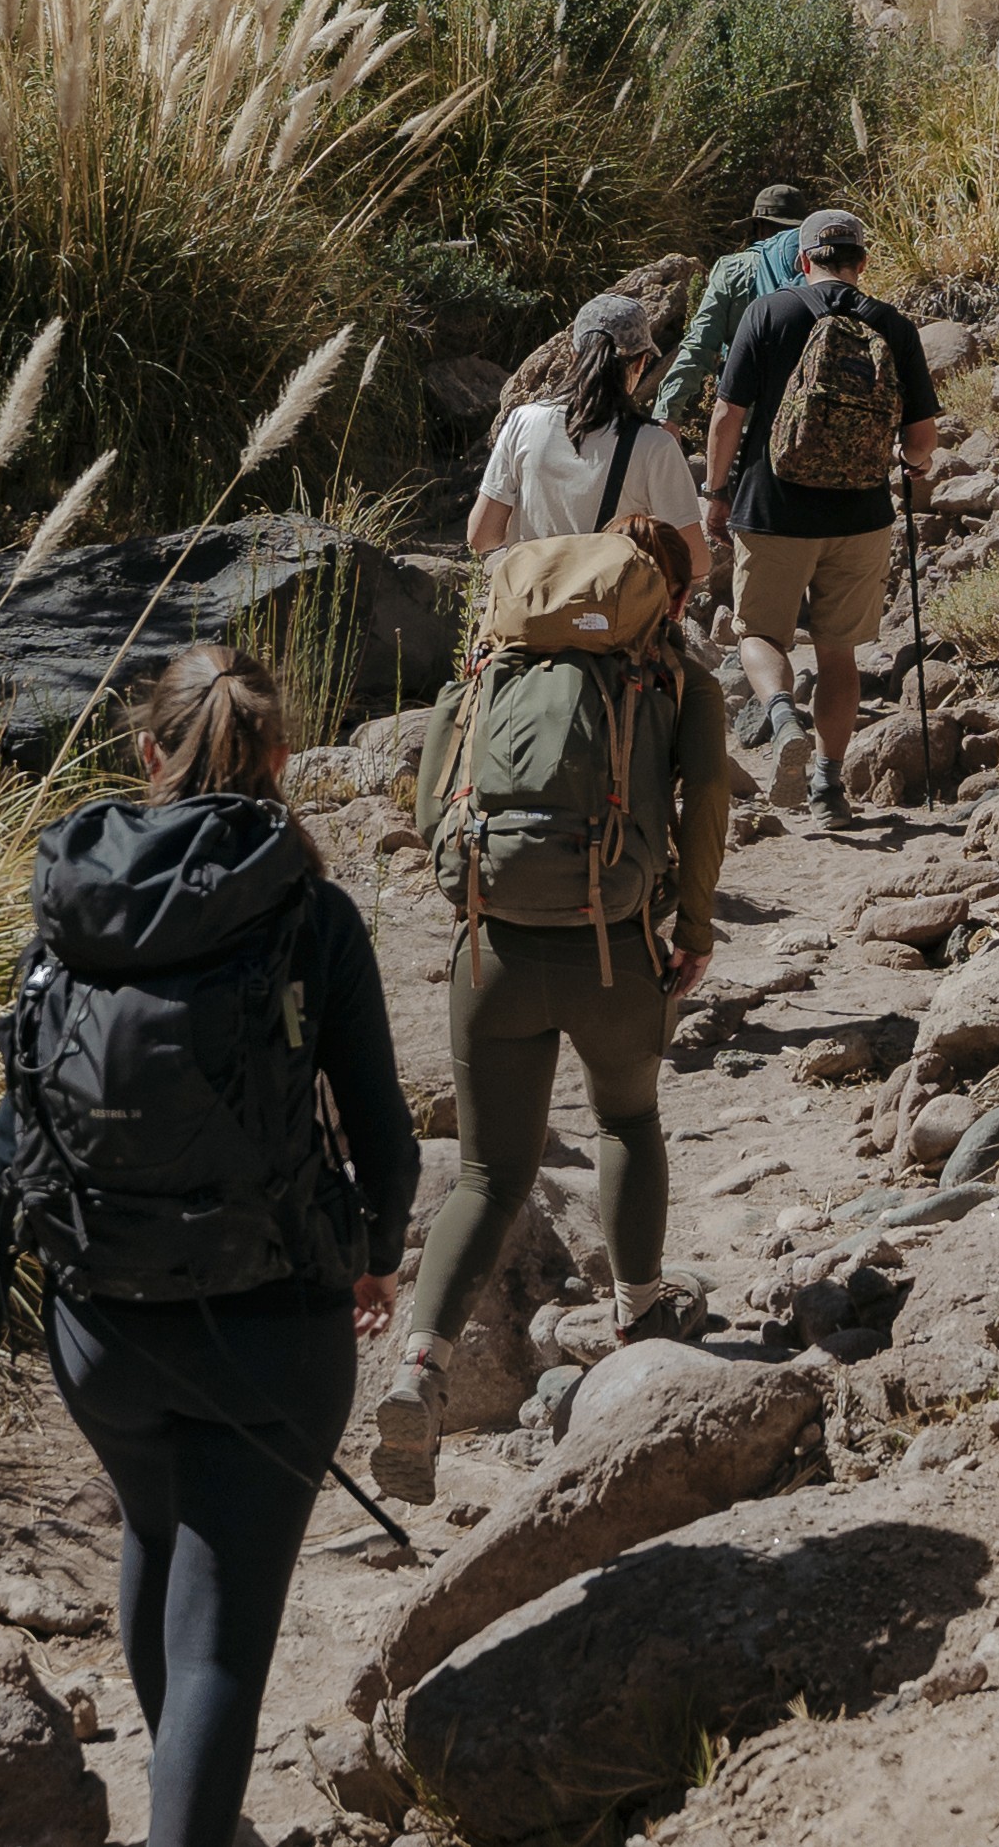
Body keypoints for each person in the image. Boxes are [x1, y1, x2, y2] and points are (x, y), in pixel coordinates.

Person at [0, 647, 414, 1847]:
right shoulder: (311, 912)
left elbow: (16, 1124)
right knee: (222, 1649)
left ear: (146, 753)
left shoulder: (74, 910)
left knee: (154, 1533)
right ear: (285, 760)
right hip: (269, 1329)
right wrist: (373, 1251)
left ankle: (188, 1816)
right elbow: (387, 1138)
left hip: (100, 1327)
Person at [365, 510, 734, 1504]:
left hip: (491, 949)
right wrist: (692, 924)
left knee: (487, 1173)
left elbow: (431, 807)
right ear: (667, 597)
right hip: (614, 949)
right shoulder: (679, 683)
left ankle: (419, 1370)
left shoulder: (491, 671)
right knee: (626, 1116)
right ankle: (640, 1315)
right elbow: (707, 803)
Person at [699, 205, 939, 822]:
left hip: (771, 506)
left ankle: (783, 720)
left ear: (804, 260)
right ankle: (830, 789)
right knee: (839, 654)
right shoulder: (894, 326)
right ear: (862, 261)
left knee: (759, 634)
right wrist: (915, 469)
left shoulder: (769, 312)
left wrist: (716, 490)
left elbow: (728, 415)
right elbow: (920, 441)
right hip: (860, 516)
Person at [469, 289, 705, 552]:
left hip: (535, 592)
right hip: (611, 593)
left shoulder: (521, 422)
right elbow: (696, 562)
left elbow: (481, 537)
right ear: (640, 363)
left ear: (573, 356)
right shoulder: (655, 444)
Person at [650, 182, 813, 440]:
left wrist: (667, 412)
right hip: (809, 414)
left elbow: (699, 345)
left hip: (748, 418)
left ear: (758, 226)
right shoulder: (818, 267)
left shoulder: (733, 269)